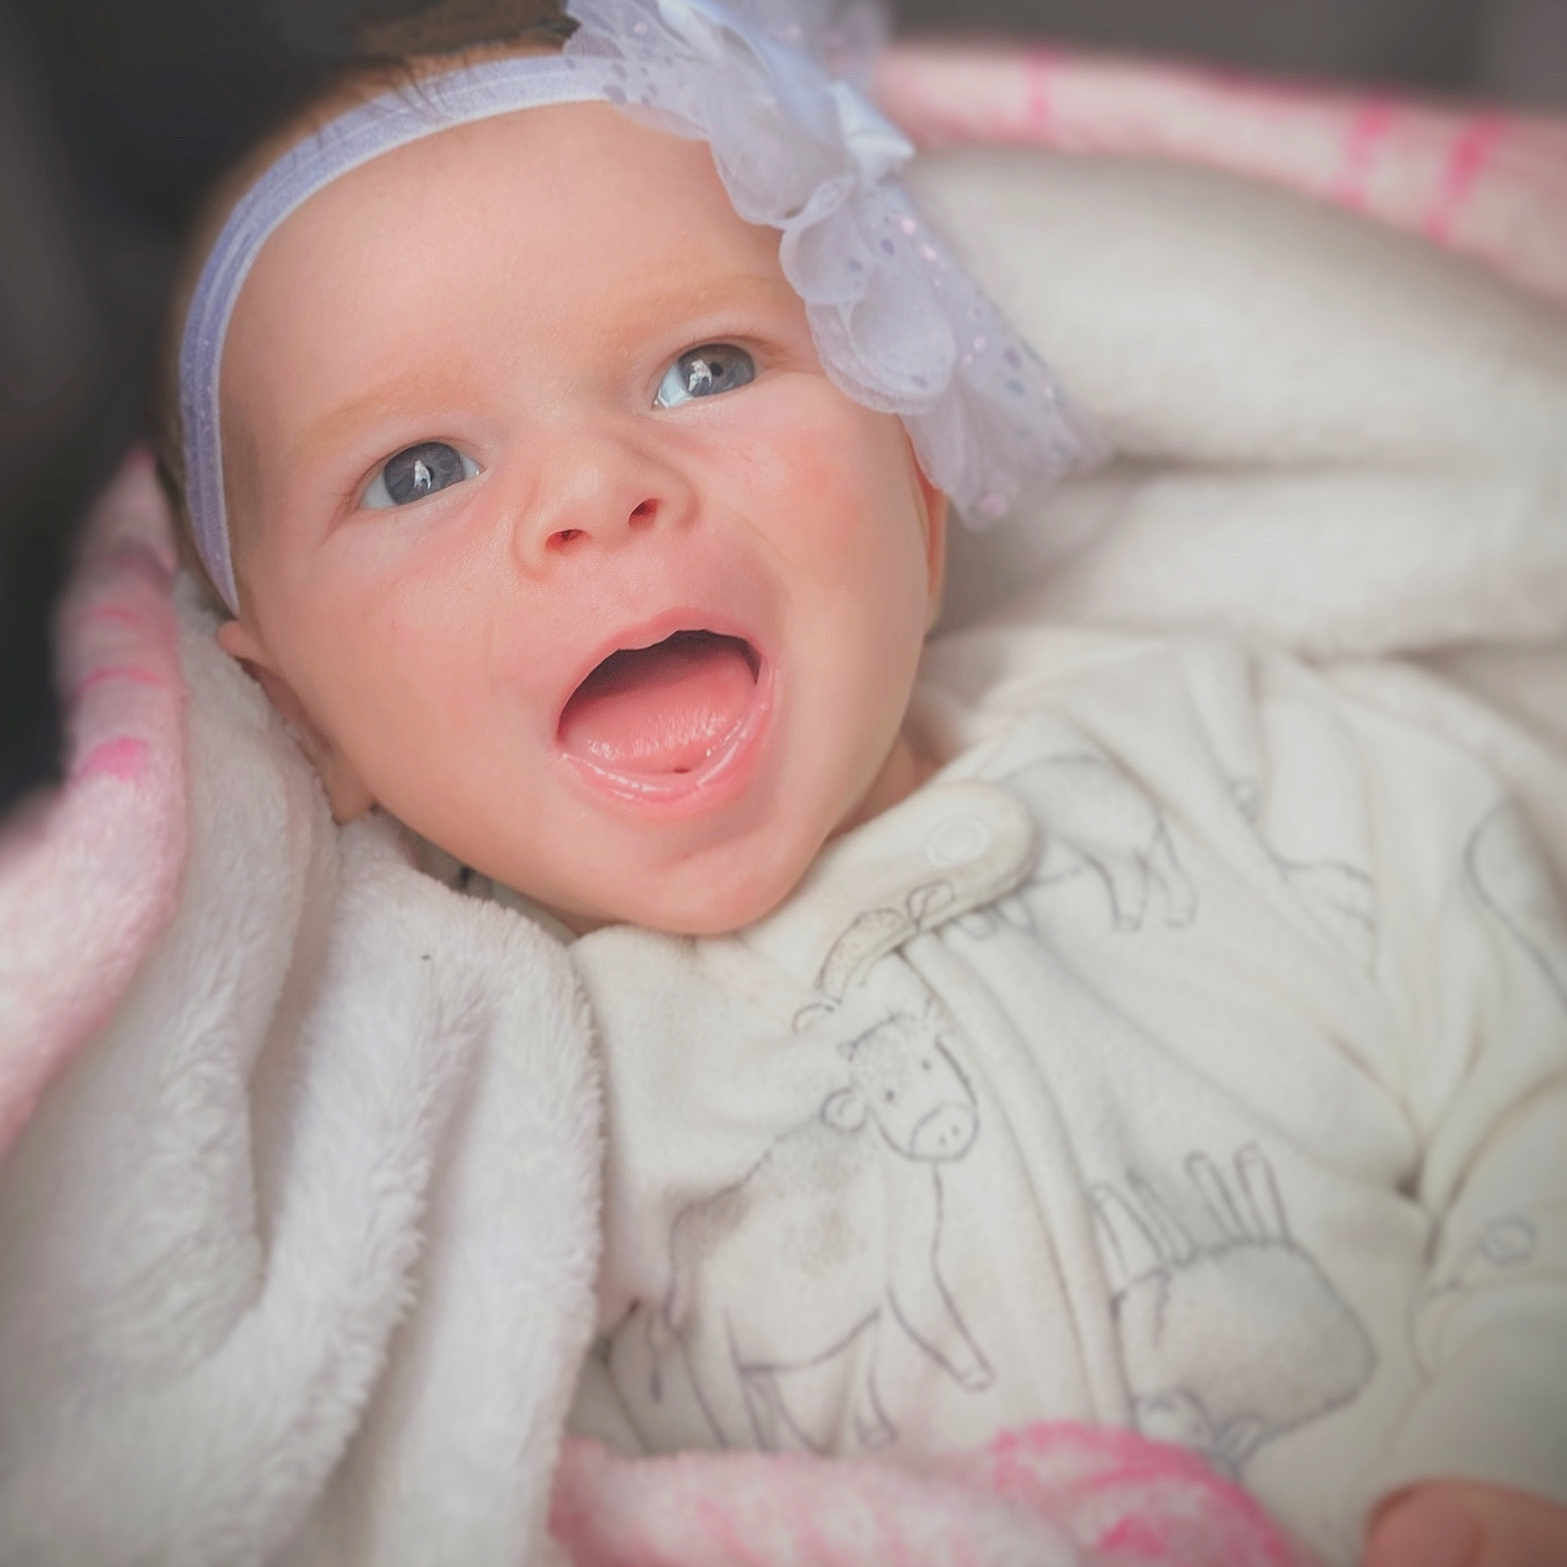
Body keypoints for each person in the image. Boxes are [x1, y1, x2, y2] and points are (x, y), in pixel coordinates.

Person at [160, 0, 1567, 1562]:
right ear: (304, 718)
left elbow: (1540, 1084)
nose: (595, 488)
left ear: (920, 484)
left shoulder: (1241, 765)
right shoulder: (482, 1101)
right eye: (418, 470)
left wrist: (1510, 1437)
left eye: (705, 365)